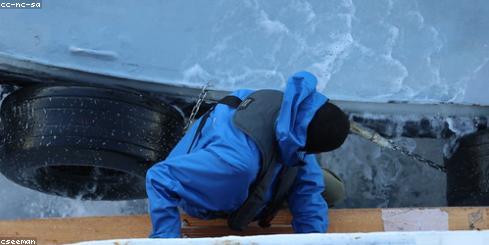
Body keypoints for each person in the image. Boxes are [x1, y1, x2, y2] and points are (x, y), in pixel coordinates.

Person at [146, 71, 350, 238]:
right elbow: (160, 178)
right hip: (218, 178)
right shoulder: (236, 164)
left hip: (242, 164)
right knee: (241, 178)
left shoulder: (295, 118)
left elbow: (308, 189)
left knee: (333, 191)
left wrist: (312, 239)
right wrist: (167, 239)